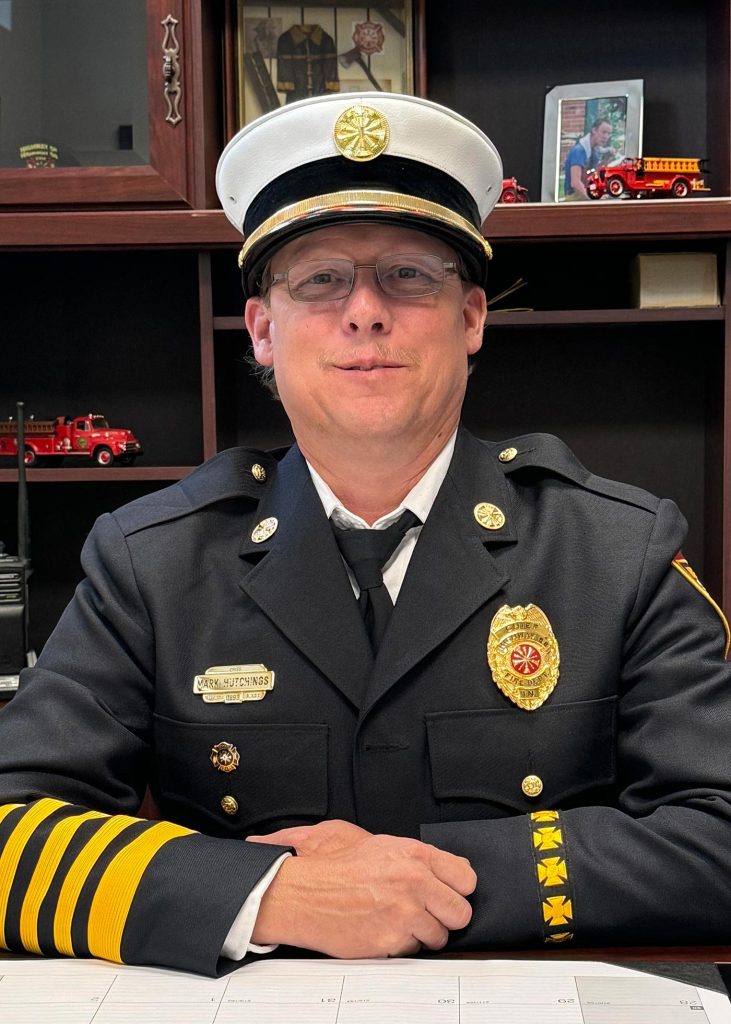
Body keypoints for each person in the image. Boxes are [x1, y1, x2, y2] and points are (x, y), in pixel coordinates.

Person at [0, 93, 730, 977]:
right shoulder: (151, 561)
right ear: (264, 331)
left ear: (470, 320)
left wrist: (418, 889)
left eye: (408, 277)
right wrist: (265, 895)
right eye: (319, 281)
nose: (365, 313)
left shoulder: (616, 552)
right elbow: (12, 822)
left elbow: (716, 831)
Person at [563, 117, 616, 199]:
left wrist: (606, 160)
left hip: (586, 191)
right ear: (594, 130)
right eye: (604, 132)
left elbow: (593, 175)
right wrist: (593, 198)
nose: (606, 137)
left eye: (609, 134)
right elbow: (575, 183)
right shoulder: (579, 150)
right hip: (573, 196)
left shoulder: (594, 150)